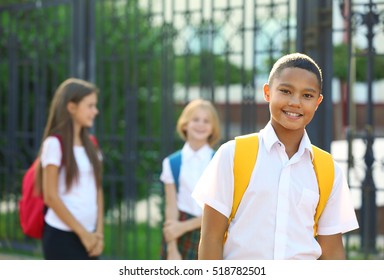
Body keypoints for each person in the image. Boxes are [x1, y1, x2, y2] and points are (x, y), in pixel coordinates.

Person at [192, 53, 359, 260]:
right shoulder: (232, 154)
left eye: (307, 96)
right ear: (267, 92)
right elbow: (211, 238)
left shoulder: (328, 170)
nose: (295, 102)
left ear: (318, 102)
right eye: (286, 91)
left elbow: (332, 251)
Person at [34, 78, 104, 260]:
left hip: (90, 237)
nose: (95, 111)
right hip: (62, 237)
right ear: (71, 107)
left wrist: (99, 234)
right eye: (90, 106)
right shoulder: (54, 144)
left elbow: (98, 190)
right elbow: (50, 196)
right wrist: (83, 234)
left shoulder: (92, 145)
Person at [160, 98, 221, 260]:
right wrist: (172, 249)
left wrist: (184, 227)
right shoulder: (171, 163)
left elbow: (220, 209)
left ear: (213, 128)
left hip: (210, 230)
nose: (200, 124)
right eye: (195, 119)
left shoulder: (219, 161)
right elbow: (171, 207)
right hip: (178, 234)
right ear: (185, 124)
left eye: (206, 121)